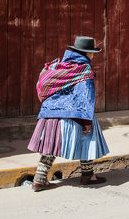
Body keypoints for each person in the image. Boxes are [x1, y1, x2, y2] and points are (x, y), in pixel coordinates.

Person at [27, 35, 110, 191]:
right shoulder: (84, 69)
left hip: (50, 112)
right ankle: (88, 175)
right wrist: (85, 121)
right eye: (91, 52)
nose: (93, 55)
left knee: (50, 145)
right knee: (87, 139)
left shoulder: (59, 65)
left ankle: (39, 178)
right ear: (85, 53)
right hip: (74, 112)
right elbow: (85, 95)